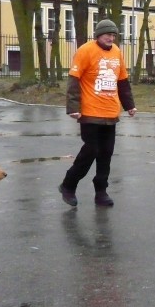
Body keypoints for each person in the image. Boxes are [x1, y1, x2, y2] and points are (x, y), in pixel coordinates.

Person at [58, 19, 136, 207]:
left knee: (106, 154)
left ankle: (101, 192)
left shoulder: (117, 52)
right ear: (98, 35)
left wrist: (129, 105)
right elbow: (74, 80)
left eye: (114, 35)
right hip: (90, 112)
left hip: (110, 112)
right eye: (107, 34)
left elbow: (122, 82)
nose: (111, 38)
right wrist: (73, 107)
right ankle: (69, 184)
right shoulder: (86, 50)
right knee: (91, 150)